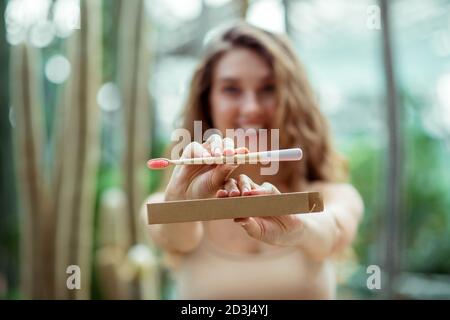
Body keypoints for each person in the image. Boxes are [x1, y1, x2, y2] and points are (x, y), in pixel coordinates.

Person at [142, 22, 364, 299]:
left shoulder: (335, 195)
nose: (251, 108)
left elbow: (329, 234)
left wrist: (296, 228)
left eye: (268, 88)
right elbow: (173, 234)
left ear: (292, 99)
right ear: (207, 101)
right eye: (231, 89)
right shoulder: (158, 204)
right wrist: (182, 202)